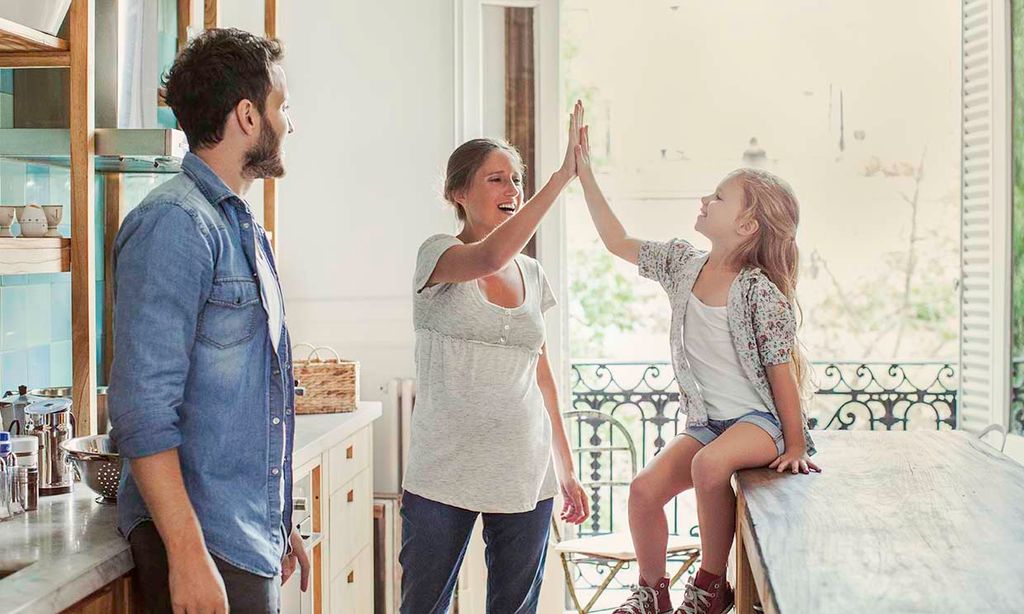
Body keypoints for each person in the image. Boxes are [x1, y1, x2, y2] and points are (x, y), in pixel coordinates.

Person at [574, 110, 819, 614]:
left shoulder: (759, 292)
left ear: (747, 225)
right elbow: (617, 242)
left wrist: (794, 443)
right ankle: (652, 592)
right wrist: (586, 176)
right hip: (708, 423)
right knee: (643, 491)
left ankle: (711, 585)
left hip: (760, 424)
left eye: (719, 197)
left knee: (710, 466)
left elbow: (782, 372)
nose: (706, 200)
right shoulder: (683, 264)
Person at [108, 28, 305, 614]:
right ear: (248, 116)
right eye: (282, 108)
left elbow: (247, 398)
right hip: (203, 548)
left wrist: (276, 519)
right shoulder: (174, 225)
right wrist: (188, 555)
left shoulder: (241, 227)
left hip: (242, 538)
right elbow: (141, 409)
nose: (290, 124)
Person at [399, 103, 591, 614]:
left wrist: (565, 468)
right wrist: (560, 179)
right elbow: (488, 257)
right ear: (459, 194)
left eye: (517, 180)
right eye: (496, 179)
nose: (512, 190)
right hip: (444, 469)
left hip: (524, 466)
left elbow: (542, 377)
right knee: (424, 606)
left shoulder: (532, 273)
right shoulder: (437, 254)